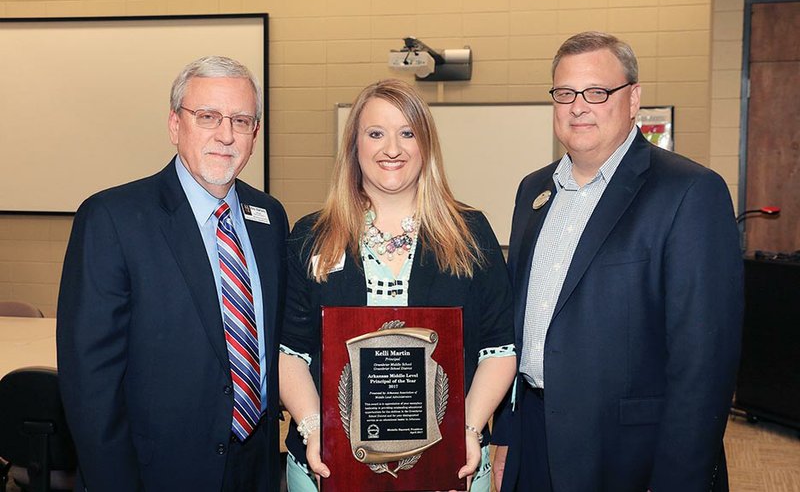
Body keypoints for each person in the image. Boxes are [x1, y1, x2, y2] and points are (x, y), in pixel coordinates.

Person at [491, 31, 744, 491]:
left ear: (633, 100)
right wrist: (507, 434)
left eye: (597, 92)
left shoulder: (688, 192)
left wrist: (677, 479)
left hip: (629, 455)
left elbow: (704, 361)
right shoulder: (533, 191)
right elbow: (518, 327)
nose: (578, 106)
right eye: (565, 93)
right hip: (534, 438)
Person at [56, 55, 288, 491]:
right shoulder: (112, 218)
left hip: (254, 466)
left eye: (241, 120)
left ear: (255, 134)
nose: (226, 134)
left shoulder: (270, 217)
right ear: (174, 125)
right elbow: (90, 383)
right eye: (207, 117)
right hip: (154, 471)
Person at [278, 79, 517, 491]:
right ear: (354, 145)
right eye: (376, 133)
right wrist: (317, 429)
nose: (393, 148)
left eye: (407, 133)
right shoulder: (312, 236)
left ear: (425, 144)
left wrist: (470, 429)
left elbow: (499, 348)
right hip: (330, 465)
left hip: (450, 464)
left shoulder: (471, 234)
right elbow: (291, 352)